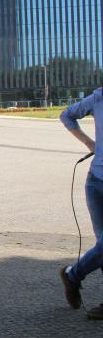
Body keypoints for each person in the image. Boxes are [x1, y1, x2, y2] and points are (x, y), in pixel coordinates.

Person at [59, 89, 103, 320]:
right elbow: (67, 115)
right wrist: (89, 143)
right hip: (96, 182)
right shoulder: (99, 97)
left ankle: (73, 275)